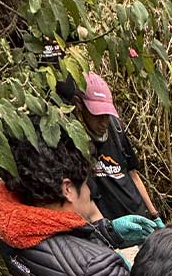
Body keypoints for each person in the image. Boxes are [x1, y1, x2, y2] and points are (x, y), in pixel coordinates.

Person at [0, 121, 157, 276]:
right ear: (67, 189)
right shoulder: (99, 268)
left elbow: (60, 248)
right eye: (85, 183)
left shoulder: (7, 223)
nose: (89, 192)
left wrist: (106, 232)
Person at [59, 72, 162, 223]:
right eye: (98, 115)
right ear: (79, 106)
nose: (104, 122)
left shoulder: (115, 128)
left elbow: (133, 174)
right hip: (109, 224)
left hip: (139, 216)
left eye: (107, 115)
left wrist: (154, 214)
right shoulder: (73, 141)